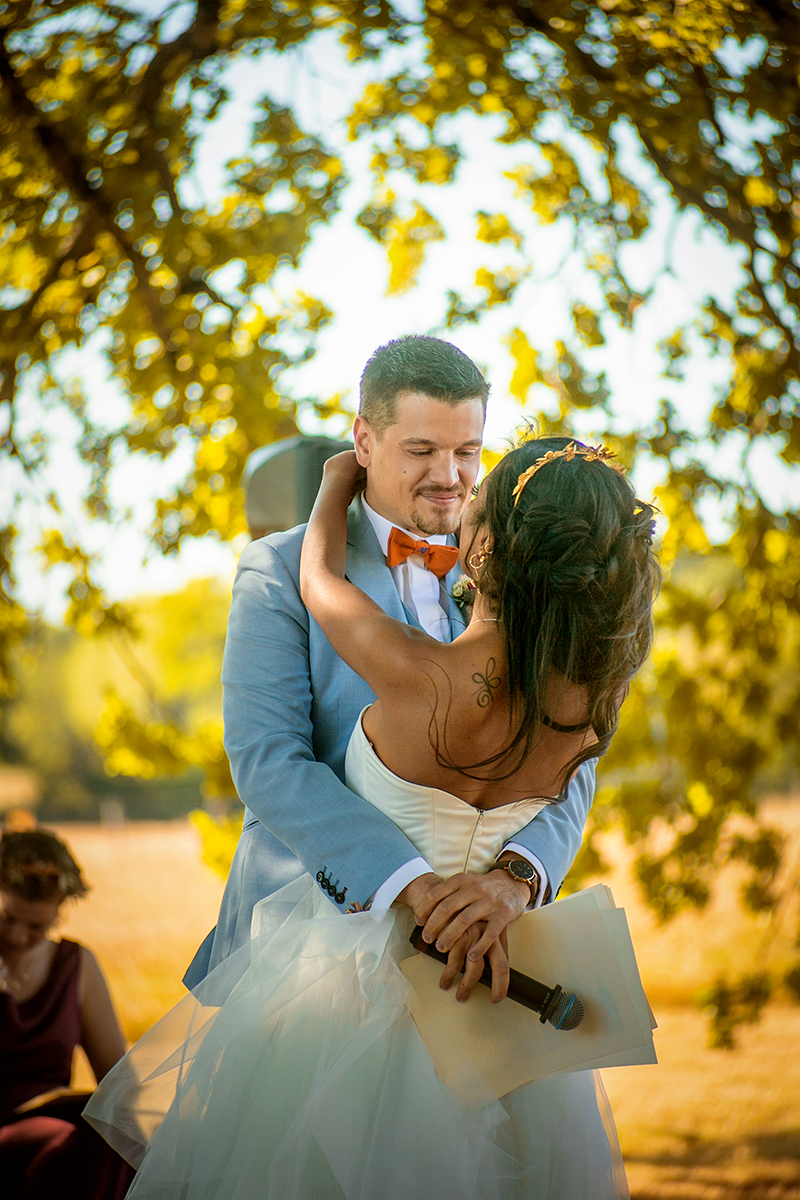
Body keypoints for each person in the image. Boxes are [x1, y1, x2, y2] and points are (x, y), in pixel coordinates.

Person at [85, 432, 659, 1199]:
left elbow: (318, 578)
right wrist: (501, 884)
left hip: (346, 1012)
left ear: (486, 551)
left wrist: (331, 489)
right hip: (495, 1003)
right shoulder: (591, 707)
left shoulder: (421, 676)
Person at [184, 335, 599, 998]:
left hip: (494, 955)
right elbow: (268, 760)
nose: (450, 476)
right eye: (422, 450)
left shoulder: (524, 570)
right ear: (365, 442)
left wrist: (516, 880)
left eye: (468, 451)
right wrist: (408, 883)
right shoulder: (280, 572)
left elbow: (573, 753)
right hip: (314, 954)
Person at [0, 828, 134, 1200]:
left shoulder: (75, 965)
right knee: (70, 1142)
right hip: (12, 1127)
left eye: (36, 927)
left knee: (112, 1134)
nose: (15, 936)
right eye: (7, 918)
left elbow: (117, 1079)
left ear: (60, 913)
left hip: (57, 1115)